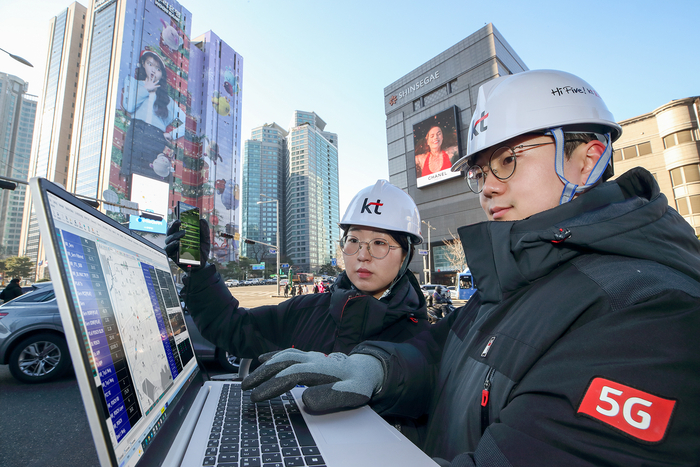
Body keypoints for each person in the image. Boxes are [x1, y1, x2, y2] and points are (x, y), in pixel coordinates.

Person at [241, 70, 700, 466]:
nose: (487, 189)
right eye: (480, 172)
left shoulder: (651, 312)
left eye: (507, 161)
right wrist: (375, 367)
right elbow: (440, 354)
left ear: (589, 158)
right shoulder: (515, 280)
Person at [164, 178, 430, 364]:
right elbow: (233, 327)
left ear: (406, 255)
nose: (362, 255)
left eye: (380, 243)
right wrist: (199, 272)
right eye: (353, 240)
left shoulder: (423, 341)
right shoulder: (305, 311)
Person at [120, 49, 184, 182]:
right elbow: (128, 106)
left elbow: (187, 123)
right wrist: (146, 89)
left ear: (162, 74)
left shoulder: (167, 100)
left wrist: (172, 135)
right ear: (143, 63)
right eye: (150, 64)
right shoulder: (133, 83)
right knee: (130, 176)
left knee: (154, 179)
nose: (154, 70)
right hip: (136, 135)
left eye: (158, 69)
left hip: (156, 139)